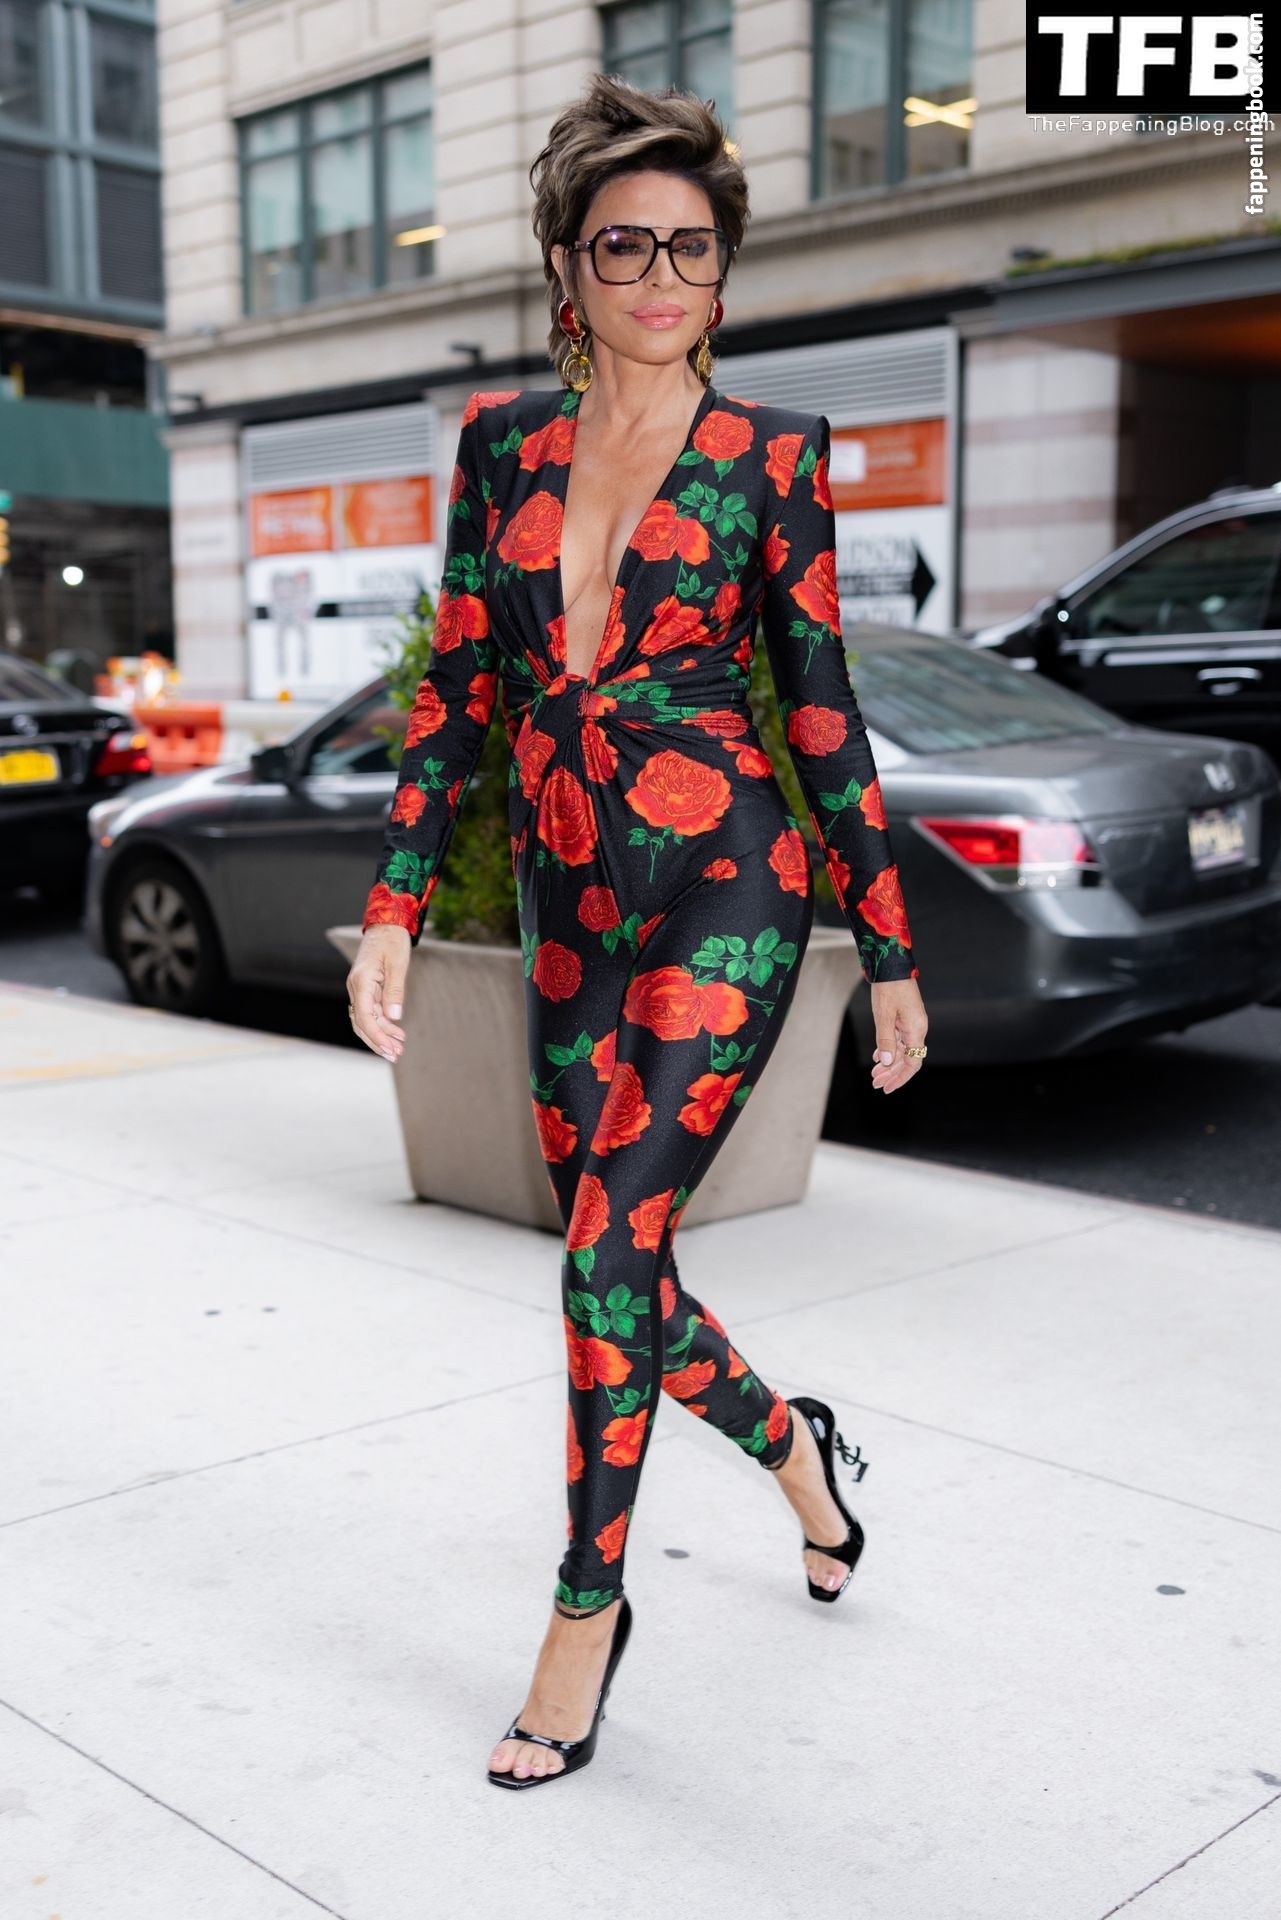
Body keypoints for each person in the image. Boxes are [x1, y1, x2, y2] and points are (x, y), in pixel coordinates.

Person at [346, 72, 928, 1788]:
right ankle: (799, 1454)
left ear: (723, 270)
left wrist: (889, 947)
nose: (661, 276)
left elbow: (818, 707)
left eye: (691, 246)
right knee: (627, 1270)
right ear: (566, 265)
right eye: (625, 245)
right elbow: (459, 694)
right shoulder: (502, 448)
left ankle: (583, 1619)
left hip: (727, 878)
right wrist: (392, 909)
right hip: (564, 900)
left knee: (603, 1260)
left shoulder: (771, 455)